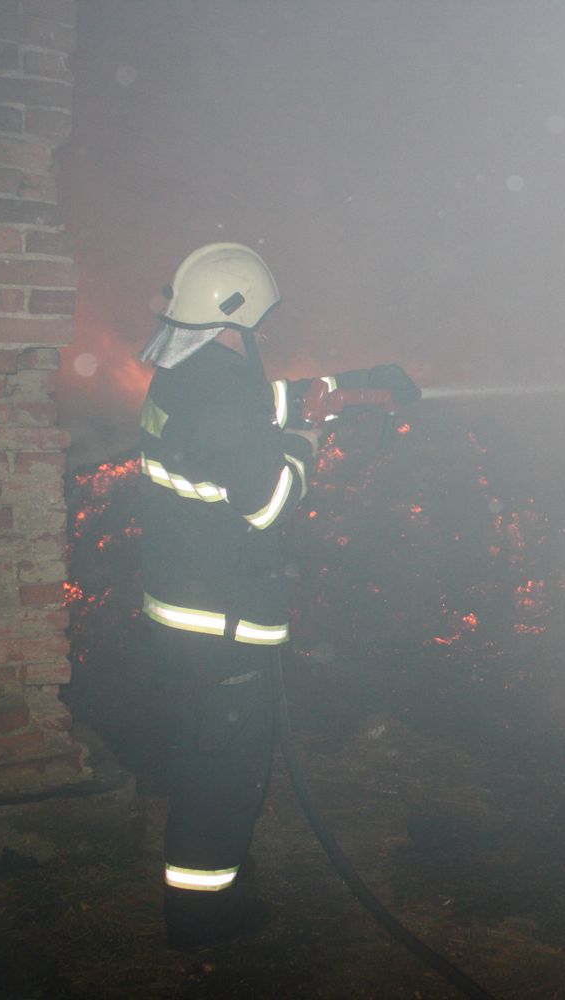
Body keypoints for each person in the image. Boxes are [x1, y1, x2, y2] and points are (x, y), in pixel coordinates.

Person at [134, 242, 419, 949]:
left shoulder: (183, 375)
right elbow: (266, 500)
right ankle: (201, 916)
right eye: (257, 324)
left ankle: (211, 869)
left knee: (203, 753)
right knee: (224, 772)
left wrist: (349, 384)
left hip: (182, 613)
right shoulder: (222, 388)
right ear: (238, 318)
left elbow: (247, 411)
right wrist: (306, 439)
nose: (258, 337)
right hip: (221, 623)